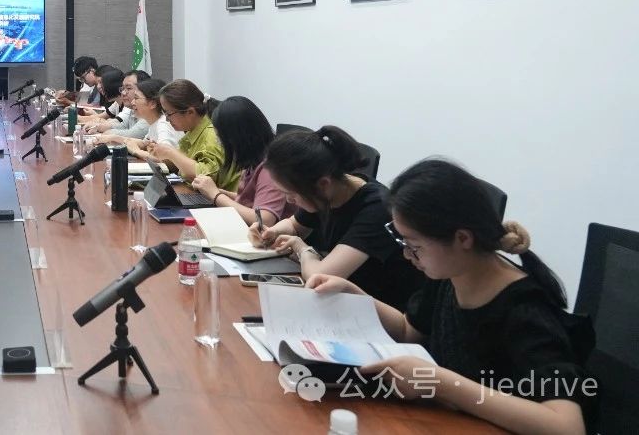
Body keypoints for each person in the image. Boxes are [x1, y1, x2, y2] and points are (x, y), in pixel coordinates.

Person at [307, 159, 594, 434]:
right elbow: (409, 331)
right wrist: (355, 295)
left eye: (415, 246)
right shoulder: (450, 274)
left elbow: (566, 427)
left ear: (463, 239)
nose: (407, 255)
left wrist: (439, 382)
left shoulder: (525, 309)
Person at [249, 126, 422, 308]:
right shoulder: (328, 191)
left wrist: (303, 249)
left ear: (323, 184)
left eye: (291, 194)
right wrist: (270, 233)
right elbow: (294, 225)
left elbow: (320, 276)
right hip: (338, 300)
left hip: (377, 311)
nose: (289, 200)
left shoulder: (376, 208)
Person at [190, 95, 292, 226]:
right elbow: (251, 201)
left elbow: (264, 219)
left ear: (236, 137)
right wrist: (217, 192)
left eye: (220, 137)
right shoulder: (254, 158)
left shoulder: (271, 166)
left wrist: (215, 195)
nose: (219, 142)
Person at [139, 79, 238, 190]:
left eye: (169, 113)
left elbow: (206, 177)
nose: (167, 119)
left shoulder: (212, 135)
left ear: (190, 112)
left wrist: (170, 153)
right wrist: (161, 154)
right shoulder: (191, 132)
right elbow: (181, 167)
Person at [85, 69, 150, 138]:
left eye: (128, 88)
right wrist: (98, 127)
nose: (123, 93)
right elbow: (122, 126)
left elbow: (130, 135)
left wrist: (107, 132)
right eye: (123, 88)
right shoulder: (131, 109)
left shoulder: (148, 116)